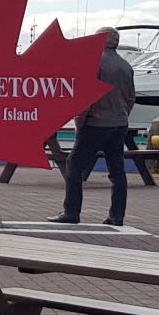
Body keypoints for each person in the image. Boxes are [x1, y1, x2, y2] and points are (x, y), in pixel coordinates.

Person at [48, 27, 136, 226]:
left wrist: (80, 123)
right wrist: (122, 115)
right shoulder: (126, 66)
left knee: (74, 165)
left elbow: (85, 99)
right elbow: (131, 97)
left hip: (96, 123)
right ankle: (117, 216)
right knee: (117, 171)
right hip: (119, 123)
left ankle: (71, 212)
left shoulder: (94, 63)